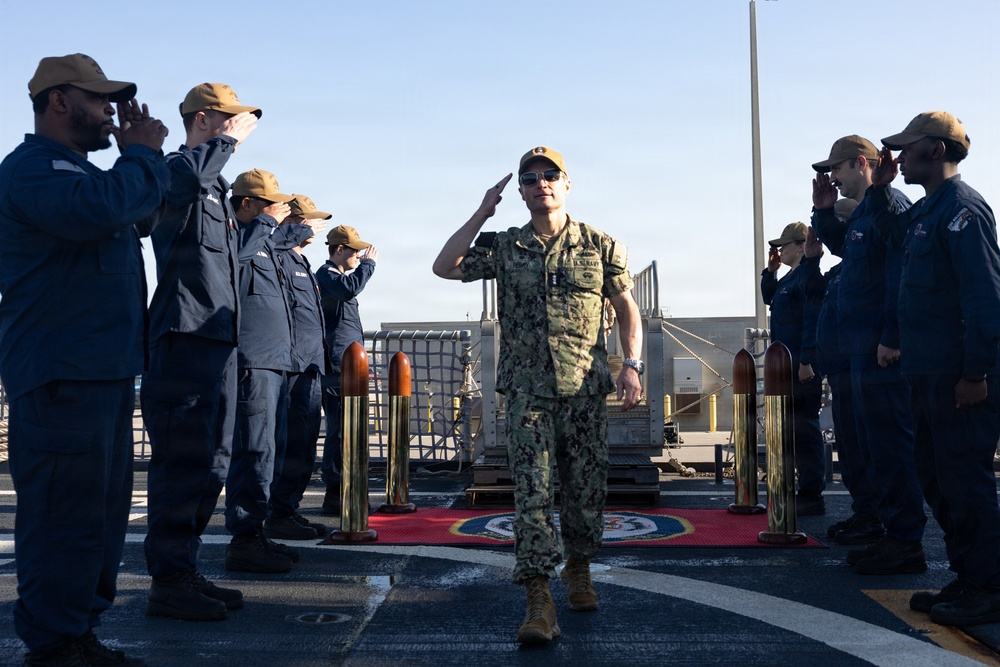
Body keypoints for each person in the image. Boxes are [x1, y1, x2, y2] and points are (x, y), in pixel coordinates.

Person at [432, 146, 643, 645]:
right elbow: (445, 265)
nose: (540, 183)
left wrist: (631, 366)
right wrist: (482, 212)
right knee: (531, 495)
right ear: (522, 191)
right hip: (528, 392)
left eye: (551, 175)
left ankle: (580, 568)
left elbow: (626, 309)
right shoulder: (506, 247)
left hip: (584, 390)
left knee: (586, 491)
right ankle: (538, 598)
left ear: (567, 184)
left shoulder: (600, 245)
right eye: (530, 178)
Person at [0, 54, 169, 665]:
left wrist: (141, 159)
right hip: (61, 373)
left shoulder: (86, 176)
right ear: (57, 101)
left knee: (98, 515)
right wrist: (140, 155)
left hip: (101, 371)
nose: (109, 111)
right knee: (62, 515)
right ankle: (53, 641)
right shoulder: (35, 170)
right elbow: (101, 211)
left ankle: (75, 632)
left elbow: (138, 212)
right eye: (97, 100)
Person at [868, 112, 1000, 625]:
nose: (898, 157)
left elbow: (985, 296)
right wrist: (879, 191)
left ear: (937, 151)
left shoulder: (963, 211)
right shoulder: (928, 211)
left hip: (955, 377)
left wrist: (975, 373)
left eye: (908, 148)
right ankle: (970, 578)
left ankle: (987, 587)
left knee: (965, 484)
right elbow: (888, 233)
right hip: (926, 374)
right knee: (939, 481)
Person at [142, 83, 261, 622]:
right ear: (207, 119)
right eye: (231, 119)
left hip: (217, 341)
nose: (240, 127)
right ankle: (167, 579)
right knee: (181, 462)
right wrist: (227, 143)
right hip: (183, 335)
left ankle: (184, 569)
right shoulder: (178, 170)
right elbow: (186, 176)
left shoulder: (213, 189)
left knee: (213, 461)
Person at [810, 135, 926, 574]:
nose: (832, 179)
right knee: (871, 446)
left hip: (881, 353)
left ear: (861, 164)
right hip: (859, 352)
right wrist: (822, 211)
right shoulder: (863, 216)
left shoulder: (889, 209)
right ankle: (884, 529)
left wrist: (892, 337)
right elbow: (844, 247)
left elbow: (900, 278)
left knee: (892, 449)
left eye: (836, 170)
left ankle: (904, 541)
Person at [225, 169, 304, 574]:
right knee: (253, 450)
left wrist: (294, 223)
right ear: (247, 205)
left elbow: (285, 240)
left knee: (270, 451)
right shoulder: (237, 237)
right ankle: (243, 538)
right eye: (268, 202)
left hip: (276, 362)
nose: (276, 209)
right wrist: (268, 221)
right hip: (253, 362)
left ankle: (257, 532)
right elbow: (231, 257)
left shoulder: (265, 244)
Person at [801, 202, 879, 549]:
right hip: (841, 371)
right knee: (848, 449)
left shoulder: (868, 267)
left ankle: (879, 522)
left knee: (870, 449)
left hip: (861, 367)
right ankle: (864, 513)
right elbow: (814, 294)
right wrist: (812, 260)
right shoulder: (839, 272)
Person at [265, 195, 331, 539]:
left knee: (304, 444)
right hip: (291, 366)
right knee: (286, 444)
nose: (315, 229)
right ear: (291, 223)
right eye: (308, 223)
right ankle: (277, 514)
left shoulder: (300, 260)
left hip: (310, 366)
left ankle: (287, 510)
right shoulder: (277, 256)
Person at [761, 222, 826, 515]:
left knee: (804, 429)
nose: (780, 249)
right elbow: (768, 297)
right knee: (791, 431)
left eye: (786, 245)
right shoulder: (790, 279)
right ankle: (799, 489)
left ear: (802, 246)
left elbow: (812, 322)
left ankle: (812, 494)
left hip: (801, 367)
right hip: (786, 368)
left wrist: (807, 362)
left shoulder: (807, 278)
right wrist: (770, 271)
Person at [315, 225, 378, 515]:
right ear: (340, 250)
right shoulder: (328, 276)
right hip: (338, 366)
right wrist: (368, 266)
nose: (359, 255)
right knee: (340, 430)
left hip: (349, 366)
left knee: (350, 429)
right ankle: (336, 491)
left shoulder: (337, 277)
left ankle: (348, 486)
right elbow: (349, 288)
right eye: (355, 251)